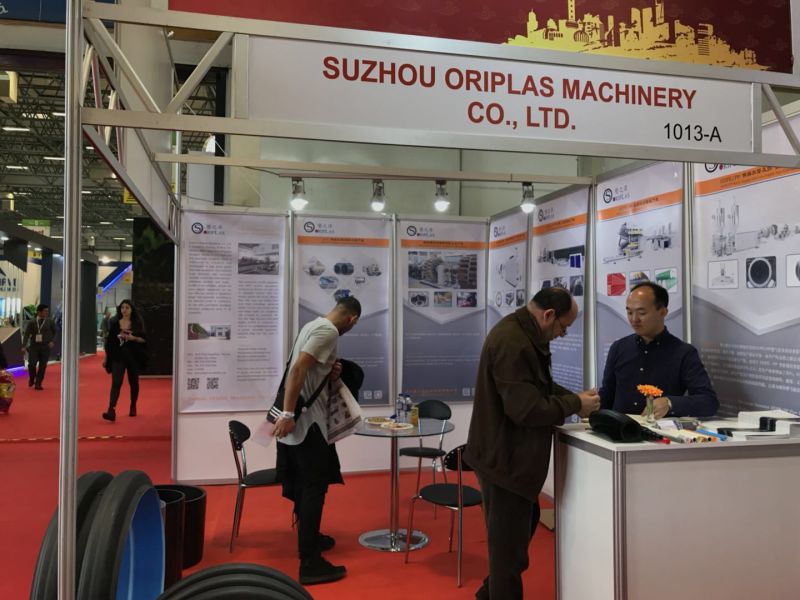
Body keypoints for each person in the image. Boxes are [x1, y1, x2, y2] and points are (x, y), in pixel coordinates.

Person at [465, 287, 601, 600]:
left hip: (510, 459)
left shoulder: (523, 335)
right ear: (548, 315)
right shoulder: (513, 343)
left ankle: (487, 594)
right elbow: (525, 409)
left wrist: (576, 399)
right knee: (508, 556)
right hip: (504, 460)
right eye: (563, 327)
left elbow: (539, 387)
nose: (562, 334)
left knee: (520, 533)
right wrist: (574, 404)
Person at [273, 296, 361, 586]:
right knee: (314, 488)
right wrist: (288, 413)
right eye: (353, 325)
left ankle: (310, 537)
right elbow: (298, 369)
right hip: (308, 424)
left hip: (304, 425)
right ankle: (310, 562)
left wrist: (331, 370)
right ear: (351, 319)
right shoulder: (329, 331)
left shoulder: (313, 325)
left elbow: (308, 368)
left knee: (304, 485)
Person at [599, 282, 718, 419]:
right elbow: (607, 394)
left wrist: (670, 403)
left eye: (641, 313)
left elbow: (709, 401)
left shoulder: (684, 353)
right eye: (629, 312)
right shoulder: (619, 348)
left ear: (663, 312)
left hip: (659, 430)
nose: (634, 319)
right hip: (619, 428)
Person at [102, 299, 147, 422]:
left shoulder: (137, 323)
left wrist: (133, 338)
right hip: (118, 357)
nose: (124, 310)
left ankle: (133, 406)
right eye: (122, 307)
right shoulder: (114, 322)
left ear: (131, 309)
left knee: (134, 383)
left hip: (133, 357)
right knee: (116, 383)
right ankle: (111, 410)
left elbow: (144, 339)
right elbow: (110, 343)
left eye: (127, 307)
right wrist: (106, 357)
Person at [22, 304, 57, 390]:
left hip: (45, 347)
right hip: (34, 347)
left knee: (42, 366)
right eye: (45, 311)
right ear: (39, 312)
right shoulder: (32, 322)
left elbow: (55, 332)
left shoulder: (50, 321)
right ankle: (32, 378)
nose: (47, 312)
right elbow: (26, 334)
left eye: (47, 311)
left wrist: (52, 341)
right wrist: (24, 346)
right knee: (32, 364)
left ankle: (38, 383)